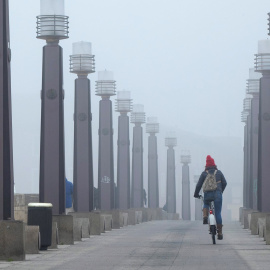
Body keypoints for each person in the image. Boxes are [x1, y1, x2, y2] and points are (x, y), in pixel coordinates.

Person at [194, 155, 227, 240]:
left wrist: (196, 194)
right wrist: (220, 191)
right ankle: (219, 232)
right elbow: (225, 183)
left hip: (208, 194)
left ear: (206, 166)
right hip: (218, 194)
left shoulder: (204, 173)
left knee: (205, 203)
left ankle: (205, 216)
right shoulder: (219, 172)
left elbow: (199, 185)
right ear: (214, 165)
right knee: (218, 213)